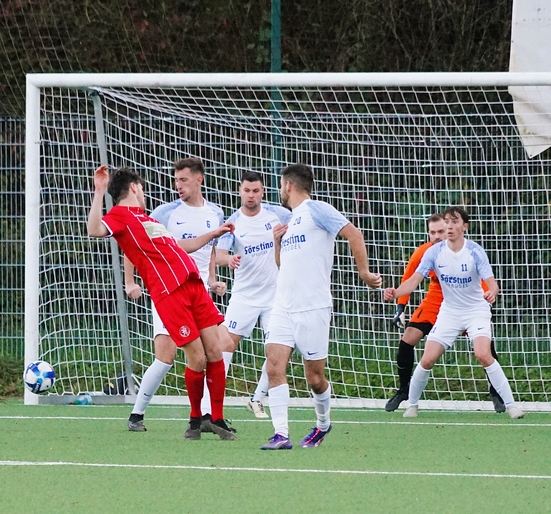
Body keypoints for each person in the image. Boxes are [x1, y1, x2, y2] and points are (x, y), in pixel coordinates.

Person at [88, 165, 235, 440]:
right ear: (134, 188)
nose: (144, 193)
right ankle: (195, 421)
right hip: (170, 292)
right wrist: (99, 192)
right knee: (196, 357)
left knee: (216, 349)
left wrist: (212, 235)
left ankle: (216, 419)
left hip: (194, 284)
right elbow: (94, 229)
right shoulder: (119, 216)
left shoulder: (148, 220)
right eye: (142, 188)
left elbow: (179, 246)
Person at [261, 164, 381, 450]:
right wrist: (277, 242)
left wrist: (364, 272)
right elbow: (282, 266)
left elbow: (354, 234)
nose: (280, 191)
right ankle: (281, 434)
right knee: (274, 365)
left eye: (280, 186)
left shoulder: (317, 209)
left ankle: (323, 424)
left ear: (288, 186)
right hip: (283, 304)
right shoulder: (289, 222)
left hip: (312, 306)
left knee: (314, 378)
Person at [383, 206, 523, 419]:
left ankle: (510, 404)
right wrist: (396, 294)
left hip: (475, 310)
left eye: (454, 222)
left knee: (483, 354)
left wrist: (492, 293)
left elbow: (492, 284)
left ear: (464, 226)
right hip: (449, 311)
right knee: (427, 359)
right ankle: (411, 404)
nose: (448, 227)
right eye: (446, 222)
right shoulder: (432, 252)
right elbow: (412, 280)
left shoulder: (475, 251)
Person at [213, 171, 292, 419]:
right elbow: (219, 255)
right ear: (240, 191)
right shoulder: (233, 222)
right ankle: (213, 407)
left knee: (279, 350)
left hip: (274, 297)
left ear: (263, 192)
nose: (251, 195)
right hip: (244, 297)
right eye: (247, 190)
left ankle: (257, 399)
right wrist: (229, 260)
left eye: (256, 191)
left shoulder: (279, 215)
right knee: (224, 346)